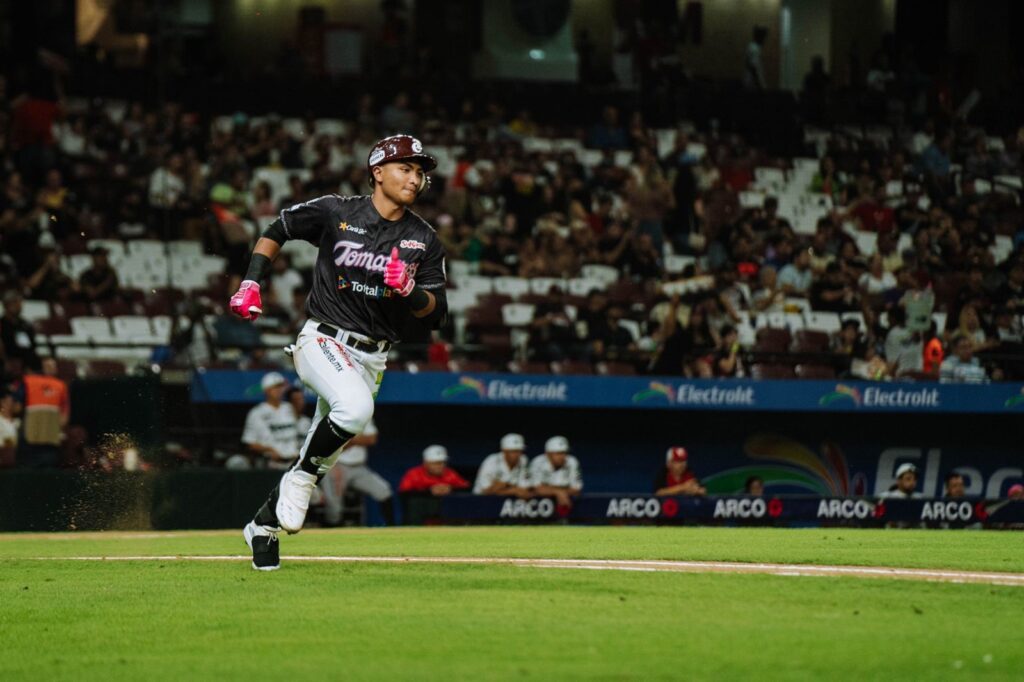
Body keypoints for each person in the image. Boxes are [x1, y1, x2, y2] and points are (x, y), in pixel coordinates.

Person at [231, 134, 448, 570]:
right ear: (378, 172)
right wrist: (252, 281)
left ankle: (263, 525)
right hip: (323, 338)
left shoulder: (423, 238)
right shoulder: (338, 211)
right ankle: (300, 479)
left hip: (373, 356)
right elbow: (279, 229)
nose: (415, 177)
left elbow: (436, 313)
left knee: (325, 443)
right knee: (353, 411)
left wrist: (409, 291)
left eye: (420, 171)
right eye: (405, 167)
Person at [319, 419, 396, 526]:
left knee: (384, 491)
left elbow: (371, 439)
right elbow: (330, 446)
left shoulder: (364, 414)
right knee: (334, 508)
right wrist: (357, 438)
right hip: (336, 466)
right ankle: (328, 536)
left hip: (359, 468)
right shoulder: (335, 415)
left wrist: (348, 440)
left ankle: (391, 529)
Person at [16, 356, 69, 468]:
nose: (50, 368)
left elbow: (65, 412)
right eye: (47, 365)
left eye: (52, 365)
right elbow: (17, 407)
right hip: (31, 439)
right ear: (41, 367)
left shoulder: (61, 386)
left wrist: (59, 428)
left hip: (49, 438)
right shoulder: (29, 382)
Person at [240, 372, 299, 471]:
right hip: (272, 464)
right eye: (275, 387)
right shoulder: (257, 413)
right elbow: (249, 443)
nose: (279, 390)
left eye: (281, 387)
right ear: (266, 390)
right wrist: (269, 450)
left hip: (294, 462)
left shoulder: (289, 407)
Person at [528, 436, 583, 509]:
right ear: (548, 454)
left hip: (566, 503)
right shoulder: (537, 463)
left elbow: (576, 489)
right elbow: (536, 489)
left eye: (564, 453)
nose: (562, 457)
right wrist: (558, 492)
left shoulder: (572, 462)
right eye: (558, 453)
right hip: (536, 504)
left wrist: (556, 492)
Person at [472, 433, 532, 497]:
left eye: (519, 451)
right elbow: (487, 491)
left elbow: (524, 489)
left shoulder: (523, 460)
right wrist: (513, 489)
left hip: (508, 501)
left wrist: (503, 486)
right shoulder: (491, 461)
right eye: (513, 451)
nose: (517, 455)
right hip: (480, 500)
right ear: (504, 451)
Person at [398, 444, 470, 497]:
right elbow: (404, 494)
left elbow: (466, 488)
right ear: (425, 463)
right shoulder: (413, 474)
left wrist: (451, 489)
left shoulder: (449, 473)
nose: (441, 466)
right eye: (436, 463)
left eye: (443, 462)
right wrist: (429, 491)